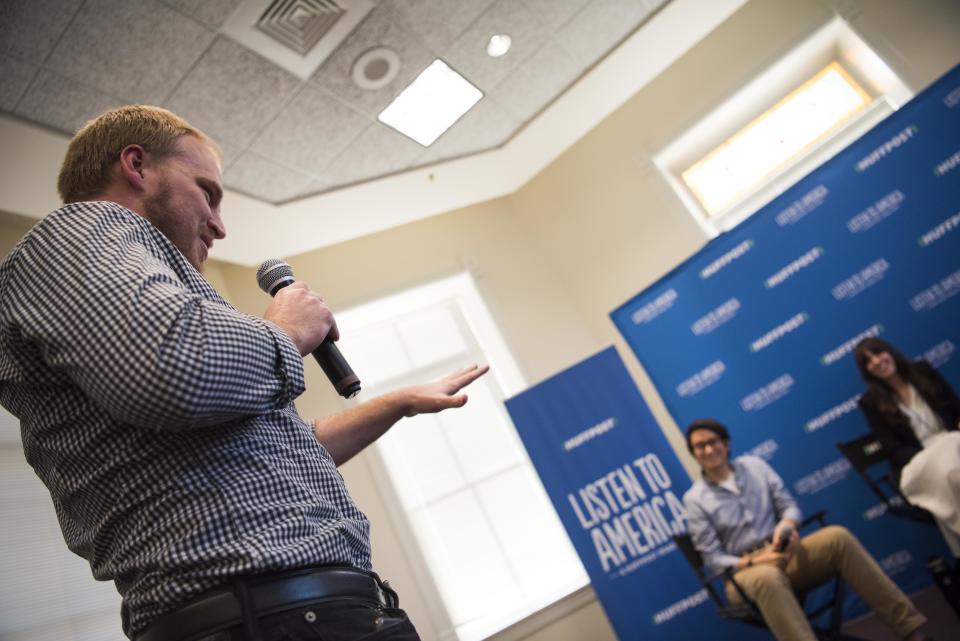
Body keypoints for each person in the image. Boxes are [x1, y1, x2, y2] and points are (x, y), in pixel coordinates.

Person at [0, 105, 489, 641]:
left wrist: (395, 403)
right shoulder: (78, 233)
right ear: (136, 166)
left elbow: (278, 453)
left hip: (302, 612)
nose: (219, 224)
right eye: (206, 192)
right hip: (265, 617)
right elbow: (174, 375)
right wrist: (286, 332)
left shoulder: (160, 304)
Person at [682, 419, 930, 641]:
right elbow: (714, 559)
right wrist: (752, 562)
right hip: (745, 574)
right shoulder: (695, 499)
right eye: (699, 447)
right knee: (768, 578)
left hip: (782, 551)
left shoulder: (755, 466)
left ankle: (911, 630)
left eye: (712, 441)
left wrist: (787, 526)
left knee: (837, 537)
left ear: (725, 443)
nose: (707, 450)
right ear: (694, 454)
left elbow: (788, 506)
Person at [854, 336, 960, 549]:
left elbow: (955, 407)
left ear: (889, 352)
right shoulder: (870, 403)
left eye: (878, 353)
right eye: (868, 361)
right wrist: (931, 456)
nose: (876, 361)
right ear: (867, 371)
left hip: (954, 441)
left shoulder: (922, 371)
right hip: (919, 460)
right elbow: (893, 449)